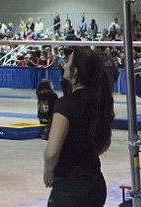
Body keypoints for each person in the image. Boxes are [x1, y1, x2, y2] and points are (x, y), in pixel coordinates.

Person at [44, 48, 115, 207]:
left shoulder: (65, 104)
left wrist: (48, 170)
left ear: (74, 71)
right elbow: (104, 144)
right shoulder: (100, 101)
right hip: (95, 184)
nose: (64, 64)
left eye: (67, 62)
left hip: (71, 188)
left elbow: (51, 152)